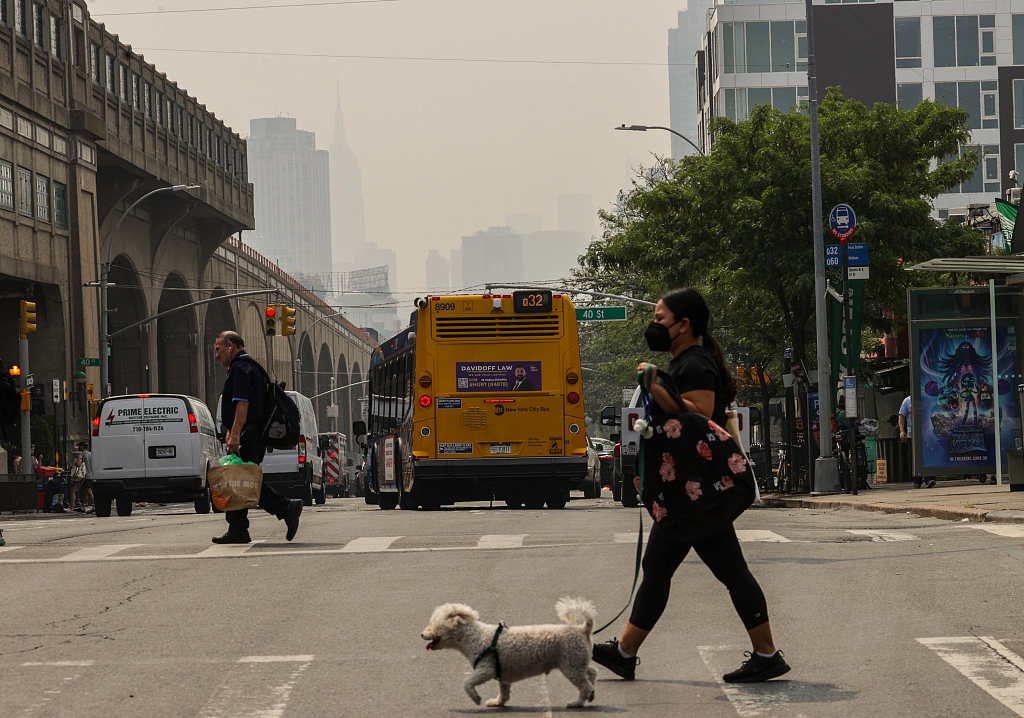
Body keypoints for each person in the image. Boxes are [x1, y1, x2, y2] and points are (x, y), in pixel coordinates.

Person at [592, 287, 790, 684]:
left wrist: (655, 386)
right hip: (689, 491)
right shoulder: (686, 361)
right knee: (671, 567)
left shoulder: (696, 364)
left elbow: (697, 414)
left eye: (662, 318)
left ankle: (765, 654)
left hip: (695, 493)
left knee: (717, 571)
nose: (656, 325)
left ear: (683, 325)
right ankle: (626, 651)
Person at [213, 330, 302, 544]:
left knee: (245, 480)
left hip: (247, 435)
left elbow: (243, 405)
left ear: (230, 346)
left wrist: (235, 435)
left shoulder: (241, 368)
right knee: (240, 480)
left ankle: (286, 508)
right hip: (250, 433)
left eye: (218, 349)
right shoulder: (250, 366)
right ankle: (238, 529)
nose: (217, 355)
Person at [899, 395, 935, 489]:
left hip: (927, 431)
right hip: (913, 433)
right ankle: (917, 480)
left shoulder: (927, 398)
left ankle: (929, 478)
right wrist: (902, 431)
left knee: (929, 455)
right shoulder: (907, 400)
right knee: (915, 457)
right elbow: (901, 416)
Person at [74, 441, 95, 512]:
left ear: (82, 447)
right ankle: (83, 506)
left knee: (89, 491)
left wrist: (76, 462)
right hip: (92, 474)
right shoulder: (91, 454)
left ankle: (94, 505)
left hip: (85, 476)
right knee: (85, 492)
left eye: (79, 446)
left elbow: (78, 464)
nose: (78, 447)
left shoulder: (82, 455)